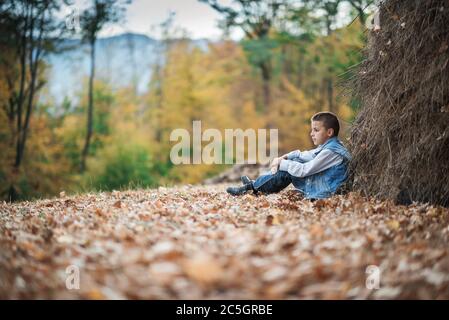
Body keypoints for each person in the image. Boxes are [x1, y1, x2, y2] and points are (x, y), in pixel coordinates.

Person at [226, 111, 351, 200]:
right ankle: (255, 185)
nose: (311, 133)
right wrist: (284, 157)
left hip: (326, 191)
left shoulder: (331, 152)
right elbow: (306, 155)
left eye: (316, 130)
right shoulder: (329, 147)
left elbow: (304, 170)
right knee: (294, 160)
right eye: (312, 130)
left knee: (290, 168)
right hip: (323, 185)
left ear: (329, 132)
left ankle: (252, 187)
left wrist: (282, 163)